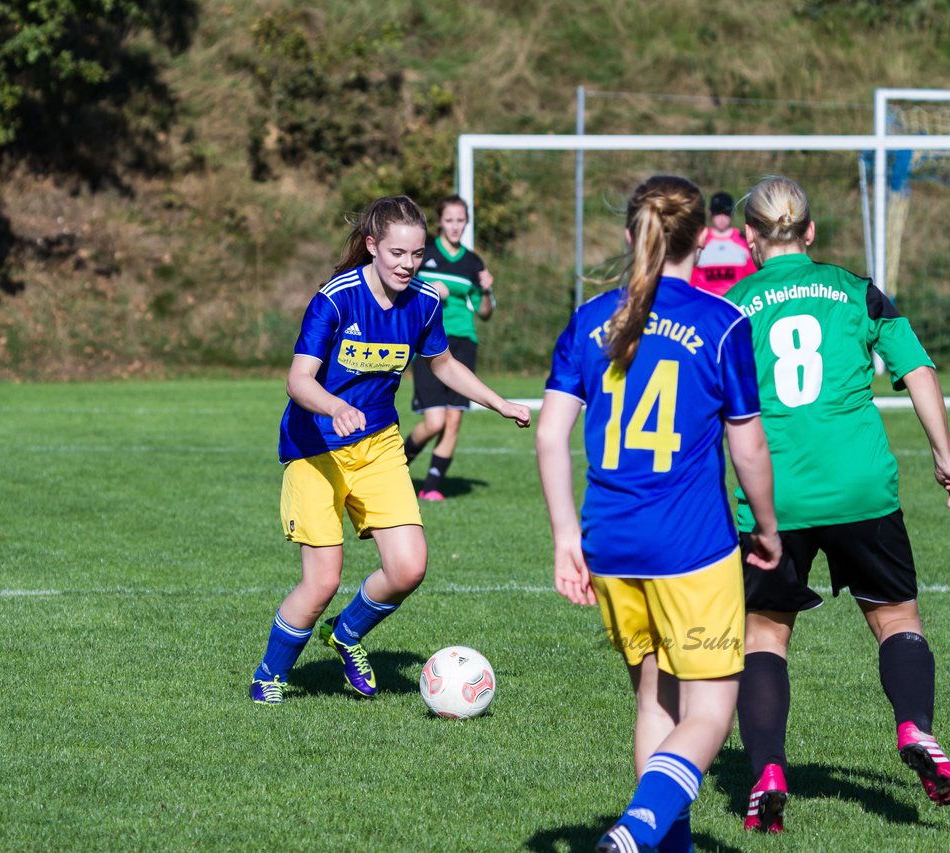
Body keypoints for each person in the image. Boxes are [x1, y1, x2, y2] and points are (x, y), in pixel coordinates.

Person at [536, 175, 781, 852]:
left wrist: (565, 538)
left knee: (654, 699)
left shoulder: (591, 319)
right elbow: (750, 445)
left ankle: (662, 846)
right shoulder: (722, 322)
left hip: (609, 541)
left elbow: (551, 433)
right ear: (706, 238)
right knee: (708, 710)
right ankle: (641, 827)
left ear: (630, 234)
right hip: (691, 547)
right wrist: (765, 527)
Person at [726, 175, 950, 834]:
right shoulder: (857, 290)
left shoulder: (732, 305)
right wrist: (944, 456)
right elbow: (917, 369)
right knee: (897, 619)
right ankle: (915, 724)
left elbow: (714, 406)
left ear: (749, 239)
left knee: (766, 634)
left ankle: (769, 769)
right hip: (862, 483)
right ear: (810, 232)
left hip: (775, 493)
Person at [249, 196, 531, 705]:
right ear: (373, 246)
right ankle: (269, 675)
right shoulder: (336, 299)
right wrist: (334, 407)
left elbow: (443, 365)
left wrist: (497, 401)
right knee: (321, 582)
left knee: (408, 568)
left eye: (417, 254)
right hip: (316, 449)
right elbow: (298, 381)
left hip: (378, 445)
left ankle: (348, 633)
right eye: (398, 253)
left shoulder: (424, 303)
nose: (407, 264)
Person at [402, 195, 497, 501]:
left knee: (454, 418)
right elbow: (402, 289)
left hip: (463, 340)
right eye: (450, 220)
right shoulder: (423, 253)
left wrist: (486, 289)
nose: (455, 226)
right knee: (434, 421)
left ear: (466, 222)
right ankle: (398, 466)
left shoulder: (472, 262)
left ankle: (431, 487)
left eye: (461, 220)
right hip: (429, 340)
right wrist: (430, 290)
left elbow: (485, 312)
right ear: (440, 221)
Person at [689, 191, 757, 296]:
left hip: (735, 304)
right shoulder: (700, 240)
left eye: (726, 213)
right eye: (718, 213)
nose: (722, 218)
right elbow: (691, 279)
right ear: (710, 213)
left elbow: (753, 278)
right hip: (705, 304)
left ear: (732, 214)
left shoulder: (744, 241)